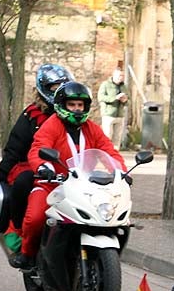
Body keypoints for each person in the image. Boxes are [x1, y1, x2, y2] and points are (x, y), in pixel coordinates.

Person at [13, 81, 124, 269]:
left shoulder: (92, 128)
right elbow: (39, 148)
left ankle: (99, 260)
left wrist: (120, 171)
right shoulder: (52, 125)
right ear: (62, 105)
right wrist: (43, 166)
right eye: (72, 105)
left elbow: (108, 150)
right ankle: (27, 254)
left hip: (84, 186)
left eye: (80, 105)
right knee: (36, 218)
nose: (77, 109)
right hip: (53, 184)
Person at [0, 63, 73, 236]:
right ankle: (18, 229)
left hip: (66, 168)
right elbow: (16, 144)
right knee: (23, 181)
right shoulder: (32, 115)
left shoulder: (75, 115)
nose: (59, 90)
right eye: (54, 87)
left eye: (62, 86)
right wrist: (3, 171)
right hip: (33, 166)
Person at [98, 68, 128, 149]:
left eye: (122, 76)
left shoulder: (124, 86)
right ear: (114, 76)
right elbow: (101, 97)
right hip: (108, 115)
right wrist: (115, 98)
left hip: (120, 115)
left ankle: (115, 155)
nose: (121, 77)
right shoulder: (105, 84)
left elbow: (128, 100)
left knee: (117, 138)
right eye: (119, 75)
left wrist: (125, 100)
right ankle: (105, 153)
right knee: (107, 136)